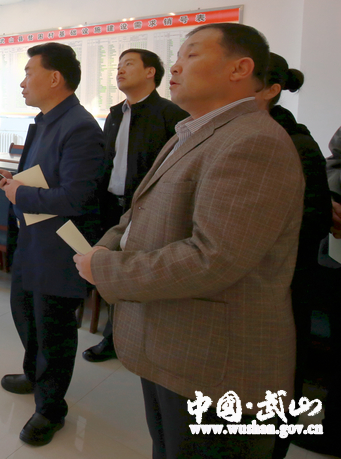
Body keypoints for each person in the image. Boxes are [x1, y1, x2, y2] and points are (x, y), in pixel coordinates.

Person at [74, 23, 304, 459]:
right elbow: (141, 209)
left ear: (240, 68)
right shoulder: (194, 132)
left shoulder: (254, 140)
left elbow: (212, 258)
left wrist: (104, 268)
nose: (175, 66)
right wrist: (107, 244)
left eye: (192, 54)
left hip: (215, 369)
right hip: (173, 349)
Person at [0, 42, 104, 446]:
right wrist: (16, 183)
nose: (23, 82)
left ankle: (51, 408)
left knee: (54, 329)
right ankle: (33, 374)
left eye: (29, 73)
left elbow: (77, 198)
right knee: (26, 313)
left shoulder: (80, 127)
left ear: (55, 78)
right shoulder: (44, 122)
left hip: (58, 249)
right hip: (32, 240)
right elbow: (44, 177)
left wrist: (20, 194)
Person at [83, 49, 188, 363]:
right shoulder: (115, 114)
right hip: (111, 206)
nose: (120, 70)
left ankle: (123, 338)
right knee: (111, 269)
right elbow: (108, 162)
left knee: (136, 274)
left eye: (128, 64)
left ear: (150, 72)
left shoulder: (171, 115)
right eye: (118, 65)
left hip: (146, 209)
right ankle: (115, 336)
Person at [258, 55, 333, 459]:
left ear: (270, 90)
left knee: (281, 372)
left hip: (282, 286)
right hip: (262, 287)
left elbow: (313, 221)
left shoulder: (293, 142)